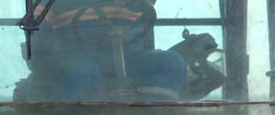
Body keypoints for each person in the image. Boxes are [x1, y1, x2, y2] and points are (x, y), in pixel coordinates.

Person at [17, 0, 187, 102]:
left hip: (129, 55)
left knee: (172, 64)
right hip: (77, 55)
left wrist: (137, 95)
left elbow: (147, 8)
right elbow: (38, 30)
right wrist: (39, 51)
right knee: (82, 72)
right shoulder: (50, 2)